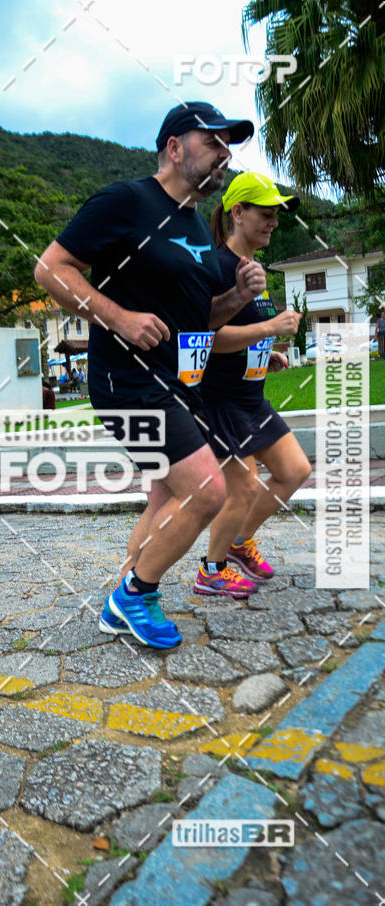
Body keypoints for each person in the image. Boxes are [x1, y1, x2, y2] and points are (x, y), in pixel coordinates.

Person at [35, 102, 266, 650]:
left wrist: (237, 295)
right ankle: (136, 595)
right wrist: (117, 317)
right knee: (208, 489)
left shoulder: (194, 228)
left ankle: (123, 594)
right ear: (174, 147)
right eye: (213, 142)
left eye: (228, 146)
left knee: (167, 496)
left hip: (180, 381)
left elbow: (197, 321)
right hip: (128, 379)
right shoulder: (127, 201)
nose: (224, 155)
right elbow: (49, 268)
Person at [193, 171, 312, 597]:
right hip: (219, 401)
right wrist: (268, 329)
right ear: (237, 213)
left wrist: (268, 352)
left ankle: (239, 542)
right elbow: (206, 339)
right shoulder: (216, 268)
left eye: (277, 216)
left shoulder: (255, 269)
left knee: (295, 471)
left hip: (251, 398)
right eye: (266, 214)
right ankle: (211, 568)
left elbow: (248, 333)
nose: (274, 223)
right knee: (243, 488)